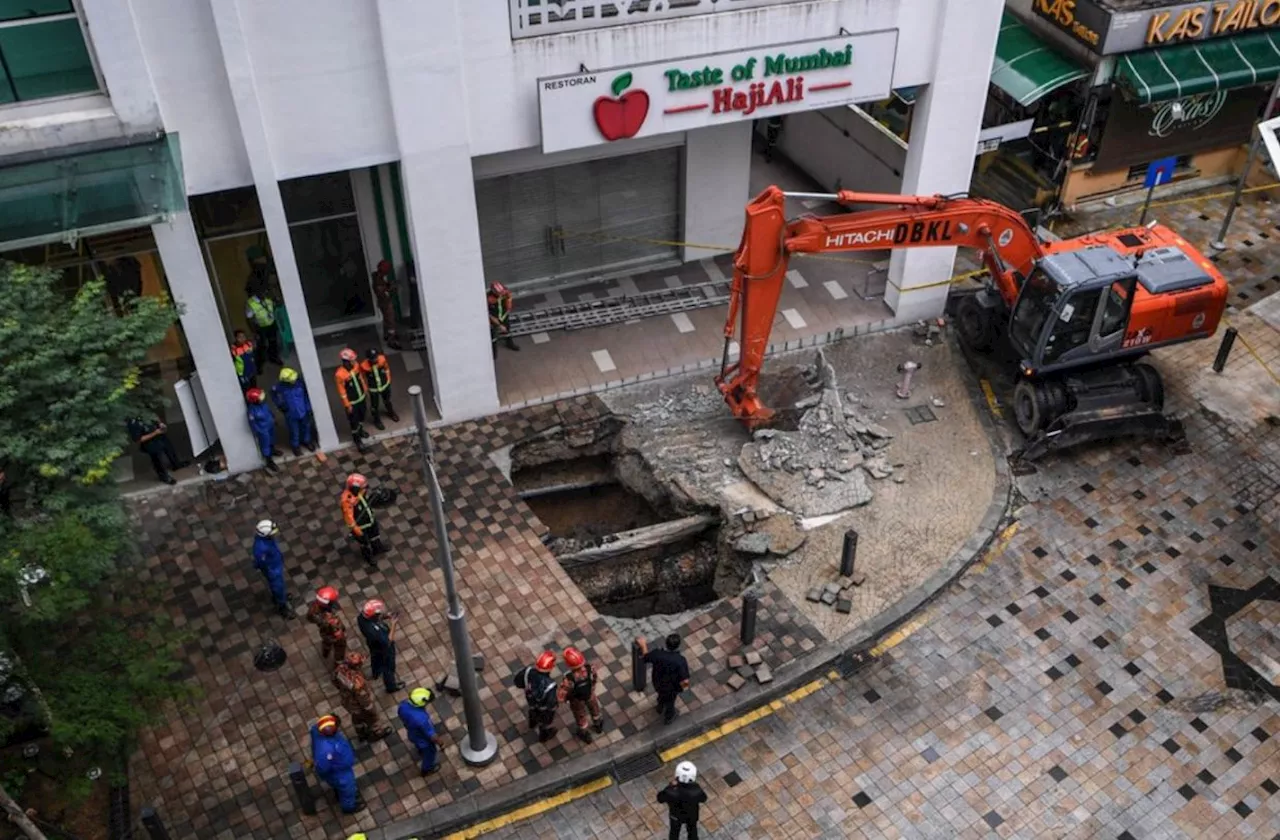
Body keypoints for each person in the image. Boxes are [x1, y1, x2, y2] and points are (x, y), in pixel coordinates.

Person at [309, 714, 364, 815]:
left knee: (343, 788)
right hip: (340, 774)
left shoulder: (317, 731)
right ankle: (349, 808)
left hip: (339, 769)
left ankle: (338, 792)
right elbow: (322, 768)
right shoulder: (326, 750)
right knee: (348, 791)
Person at [335, 652, 392, 742]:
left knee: (356, 719)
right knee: (373, 720)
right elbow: (363, 699)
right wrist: (371, 710)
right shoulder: (358, 682)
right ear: (357, 666)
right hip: (359, 706)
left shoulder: (340, 669)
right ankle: (377, 733)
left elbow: (334, 681)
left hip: (348, 703)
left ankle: (361, 734)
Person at [637, 634, 690, 725]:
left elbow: (646, 657)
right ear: (678, 646)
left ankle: (660, 706)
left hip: (657, 683)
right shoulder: (680, 660)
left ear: (666, 643)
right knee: (670, 702)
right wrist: (682, 688)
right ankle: (669, 717)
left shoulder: (658, 654)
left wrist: (643, 645)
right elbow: (685, 681)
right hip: (671, 688)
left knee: (661, 694)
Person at [245, 246, 283, 369]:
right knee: (261, 345)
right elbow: (249, 318)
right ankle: (259, 364)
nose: (264, 293)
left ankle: (274, 358)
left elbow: (275, 303)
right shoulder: (252, 302)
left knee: (273, 342)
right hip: (260, 326)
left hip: (270, 323)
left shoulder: (267, 297)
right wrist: (253, 330)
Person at [556, 647, 604, 744]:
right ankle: (598, 725)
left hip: (577, 701)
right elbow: (594, 678)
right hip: (590, 695)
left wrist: (566, 699)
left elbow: (561, 697)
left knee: (580, 716)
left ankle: (585, 734)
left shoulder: (569, 679)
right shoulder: (590, 668)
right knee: (594, 708)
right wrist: (592, 688)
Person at [357, 599, 404, 693]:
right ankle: (391, 686)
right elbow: (388, 641)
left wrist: (386, 616)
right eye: (378, 614)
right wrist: (394, 624)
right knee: (388, 668)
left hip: (373, 645)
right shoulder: (375, 632)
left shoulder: (361, 618)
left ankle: (376, 673)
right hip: (384, 648)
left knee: (375, 658)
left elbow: (374, 619)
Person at [126, 414, 187, 486]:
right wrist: (155, 433)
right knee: (157, 459)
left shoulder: (144, 409)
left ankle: (176, 464)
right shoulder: (132, 422)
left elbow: (154, 415)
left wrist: (160, 423)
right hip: (150, 442)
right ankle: (164, 477)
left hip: (159, 434)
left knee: (169, 449)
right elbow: (139, 439)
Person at [342, 474, 387, 567]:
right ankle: (368, 557)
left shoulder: (359, 492)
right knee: (365, 543)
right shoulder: (347, 501)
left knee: (375, 535)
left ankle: (378, 548)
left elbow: (364, 494)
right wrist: (358, 531)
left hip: (370, 520)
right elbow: (349, 519)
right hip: (360, 527)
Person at [514, 651, 559, 743]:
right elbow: (551, 703)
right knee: (545, 721)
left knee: (532, 710)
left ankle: (532, 723)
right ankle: (544, 736)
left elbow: (517, 682)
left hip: (531, 700)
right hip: (544, 708)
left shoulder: (527, 672)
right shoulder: (550, 685)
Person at [271, 367, 317, 456]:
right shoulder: (279, 387)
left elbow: (306, 396)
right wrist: (280, 404)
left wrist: (308, 408)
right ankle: (295, 446)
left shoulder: (300, 383)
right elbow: (273, 394)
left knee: (306, 427)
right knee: (293, 430)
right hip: (290, 413)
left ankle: (306, 441)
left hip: (303, 410)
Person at [397, 687, 442, 775]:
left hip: (412, 733)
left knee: (419, 744)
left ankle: (420, 750)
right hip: (423, 740)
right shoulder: (422, 719)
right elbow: (432, 736)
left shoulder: (403, 706)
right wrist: (441, 743)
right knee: (430, 753)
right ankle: (427, 769)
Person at [657, 761, 707, 840]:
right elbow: (704, 799)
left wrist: (670, 786)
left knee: (674, 833)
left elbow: (660, 799)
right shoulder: (696, 790)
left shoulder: (670, 791)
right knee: (692, 831)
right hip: (692, 815)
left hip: (675, 816)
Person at [252, 519, 292, 618]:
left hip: (275, 565)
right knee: (278, 587)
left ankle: (279, 597)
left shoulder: (266, 539)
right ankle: (282, 606)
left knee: (279, 586)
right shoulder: (261, 548)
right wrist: (270, 571)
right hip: (273, 570)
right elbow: (260, 562)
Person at [306, 586, 348, 679]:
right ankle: (338, 669)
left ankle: (325, 652)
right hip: (334, 635)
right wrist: (342, 634)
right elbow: (339, 633)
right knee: (340, 651)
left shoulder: (314, 608)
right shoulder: (331, 620)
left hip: (324, 634)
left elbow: (309, 618)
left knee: (326, 642)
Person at [334, 348, 371, 451]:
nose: (354, 361)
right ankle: (357, 439)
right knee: (354, 422)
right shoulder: (339, 375)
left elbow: (361, 379)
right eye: (352, 360)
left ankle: (360, 430)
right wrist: (347, 405)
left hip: (361, 398)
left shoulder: (356, 366)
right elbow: (342, 392)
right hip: (352, 402)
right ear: (346, 361)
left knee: (362, 416)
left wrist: (365, 389)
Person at [361, 348, 400, 428]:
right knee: (374, 406)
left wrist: (388, 379)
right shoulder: (363, 366)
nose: (375, 360)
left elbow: (386, 368)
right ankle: (376, 420)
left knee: (387, 401)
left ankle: (391, 413)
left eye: (376, 357)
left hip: (384, 385)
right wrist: (365, 388)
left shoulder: (382, 359)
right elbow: (362, 377)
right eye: (373, 359)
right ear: (368, 359)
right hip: (373, 388)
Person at [245, 388, 281, 472]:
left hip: (270, 425)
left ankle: (273, 450)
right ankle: (269, 460)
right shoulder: (252, 411)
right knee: (265, 444)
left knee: (272, 439)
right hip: (262, 429)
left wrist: (274, 419)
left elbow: (269, 412)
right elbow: (252, 423)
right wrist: (257, 431)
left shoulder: (264, 405)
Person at [370, 260, 401, 349]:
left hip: (383, 302)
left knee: (386, 319)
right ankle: (392, 340)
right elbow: (381, 291)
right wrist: (392, 287)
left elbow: (383, 286)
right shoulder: (378, 279)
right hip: (385, 302)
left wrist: (389, 285)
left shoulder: (377, 277)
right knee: (390, 320)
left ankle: (386, 335)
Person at [486, 282, 519, 356]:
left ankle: (510, 344)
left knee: (507, 331)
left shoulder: (505, 292)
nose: (501, 294)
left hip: (504, 316)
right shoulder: (489, 299)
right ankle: (494, 354)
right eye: (499, 293)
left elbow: (509, 298)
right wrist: (499, 325)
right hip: (493, 319)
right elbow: (489, 314)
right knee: (493, 336)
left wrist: (508, 305)